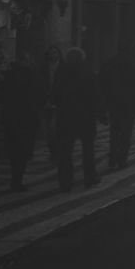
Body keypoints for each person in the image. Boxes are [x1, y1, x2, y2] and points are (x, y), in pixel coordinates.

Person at [54, 47, 104, 192]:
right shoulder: (88, 72)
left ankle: (65, 182)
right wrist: (100, 114)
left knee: (65, 152)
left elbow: (55, 94)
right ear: (83, 58)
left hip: (65, 117)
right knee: (88, 149)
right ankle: (90, 177)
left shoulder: (61, 72)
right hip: (85, 117)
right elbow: (96, 96)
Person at [99, 42, 135, 171]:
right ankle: (122, 159)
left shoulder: (110, 63)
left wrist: (106, 101)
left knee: (114, 131)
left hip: (114, 103)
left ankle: (112, 158)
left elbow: (102, 82)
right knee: (126, 132)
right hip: (130, 103)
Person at [1, 54, 45, 191]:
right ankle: (17, 180)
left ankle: (15, 179)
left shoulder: (8, 76)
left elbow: (2, 95)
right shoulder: (32, 76)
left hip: (11, 118)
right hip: (27, 118)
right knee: (23, 150)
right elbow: (39, 95)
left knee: (14, 150)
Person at [40, 44, 64, 160]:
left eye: (55, 52)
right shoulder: (43, 67)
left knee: (55, 128)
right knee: (48, 130)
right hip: (46, 100)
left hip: (60, 101)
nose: (53, 54)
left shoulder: (64, 67)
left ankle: (58, 151)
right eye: (51, 52)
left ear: (59, 54)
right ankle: (53, 152)